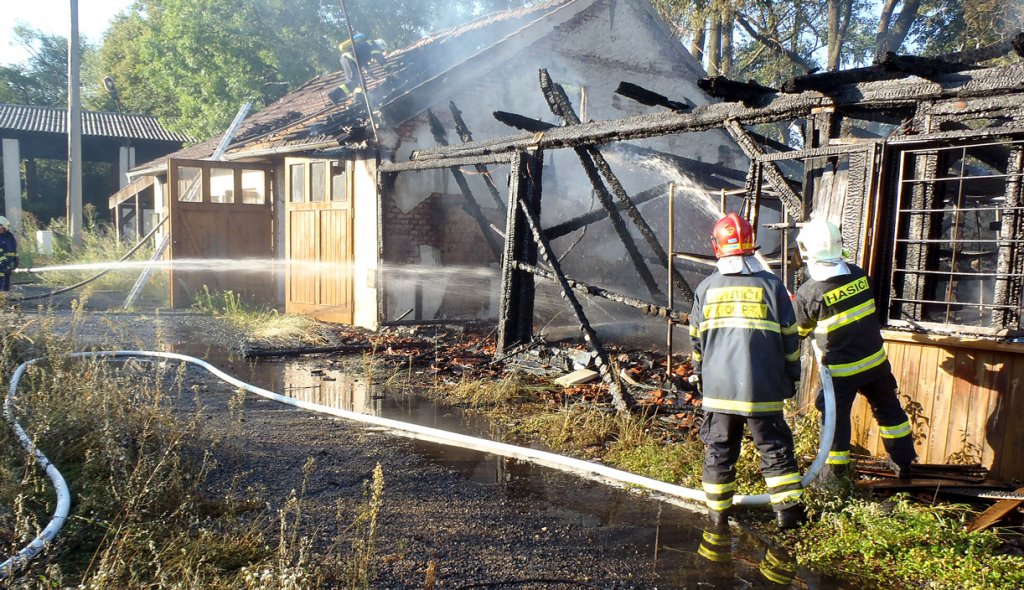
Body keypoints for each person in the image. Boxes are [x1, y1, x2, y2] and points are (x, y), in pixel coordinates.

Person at [689, 212, 806, 530]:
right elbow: (790, 338)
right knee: (775, 449)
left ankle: (717, 516)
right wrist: (791, 375)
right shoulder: (772, 286)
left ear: (717, 246)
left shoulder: (706, 288)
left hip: (719, 391)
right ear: (751, 245)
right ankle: (790, 516)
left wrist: (703, 377)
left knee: (720, 450)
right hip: (762, 388)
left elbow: (696, 341)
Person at [794, 218, 916, 481]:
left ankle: (833, 480)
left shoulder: (809, 293)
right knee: (889, 411)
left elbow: (799, 333)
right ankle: (904, 463)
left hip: (841, 372)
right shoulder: (859, 275)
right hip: (875, 363)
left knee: (834, 422)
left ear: (807, 251)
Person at [329, 33, 387, 102]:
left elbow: (365, 65)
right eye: (382, 50)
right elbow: (381, 60)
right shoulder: (374, 45)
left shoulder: (366, 48)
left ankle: (335, 96)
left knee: (355, 81)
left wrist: (371, 75)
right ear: (380, 45)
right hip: (351, 58)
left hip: (345, 58)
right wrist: (390, 70)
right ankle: (357, 100)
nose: (381, 52)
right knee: (357, 81)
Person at [0, 216, 17, 292]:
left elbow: (13, 249)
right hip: (1, 264)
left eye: (2, 228)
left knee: (7, 281)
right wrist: (4, 263)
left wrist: (16, 260)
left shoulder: (10, 236)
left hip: (8, 264)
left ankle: (5, 298)